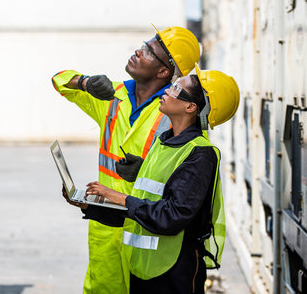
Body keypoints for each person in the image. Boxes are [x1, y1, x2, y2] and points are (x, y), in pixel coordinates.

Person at [66, 64, 240, 293]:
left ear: (190, 106)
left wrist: (120, 198)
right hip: (144, 268)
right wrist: (92, 207)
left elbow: (171, 216)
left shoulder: (200, 154)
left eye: (177, 88)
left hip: (174, 273)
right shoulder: (163, 142)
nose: (168, 90)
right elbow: (141, 209)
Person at [52, 26, 201, 293]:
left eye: (148, 51)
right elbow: (60, 80)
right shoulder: (110, 95)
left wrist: (144, 170)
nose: (138, 51)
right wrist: (84, 82)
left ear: (163, 71)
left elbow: (187, 180)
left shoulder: (173, 109)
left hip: (145, 227)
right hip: (105, 225)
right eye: (144, 44)